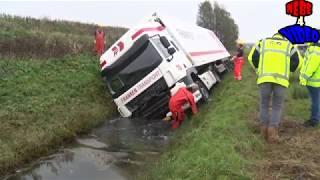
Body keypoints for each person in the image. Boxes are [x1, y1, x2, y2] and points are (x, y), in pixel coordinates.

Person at [248, 33, 301, 143]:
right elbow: (298, 62)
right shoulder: (289, 45)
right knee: (277, 106)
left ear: (273, 36)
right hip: (281, 81)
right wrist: (289, 73)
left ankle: (263, 131)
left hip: (264, 79)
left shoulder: (262, 43)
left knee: (264, 104)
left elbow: (251, 58)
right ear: (282, 37)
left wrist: (258, 71)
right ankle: (272, 132)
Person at [299, 41, 320, 127]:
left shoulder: (315, 50)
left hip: (314, 81)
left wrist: (303, 79)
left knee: (315, 101)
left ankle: (314, 121)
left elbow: (311, 66)